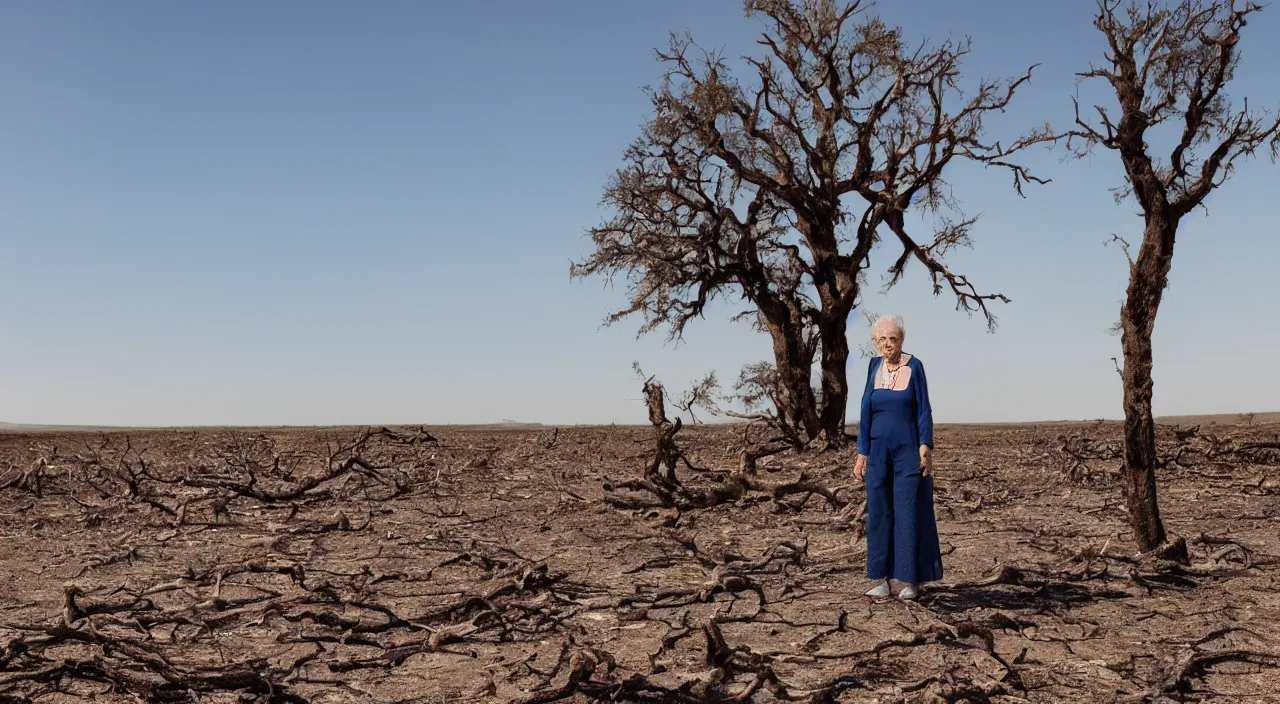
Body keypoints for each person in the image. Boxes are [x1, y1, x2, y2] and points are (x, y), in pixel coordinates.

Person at [852, 314, 943, 600]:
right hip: (878, 453)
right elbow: (865, 410)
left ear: (901, 340)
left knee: (908, 512)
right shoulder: (872, 368)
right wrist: (861, 452)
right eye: (882, 339)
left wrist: (925, 446)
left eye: (893, 338)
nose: (888, 344)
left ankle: (910, 581)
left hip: (908, 452)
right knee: (879, 512)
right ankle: (881, 579)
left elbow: (924, 410)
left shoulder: (915, 367)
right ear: (875, 343)